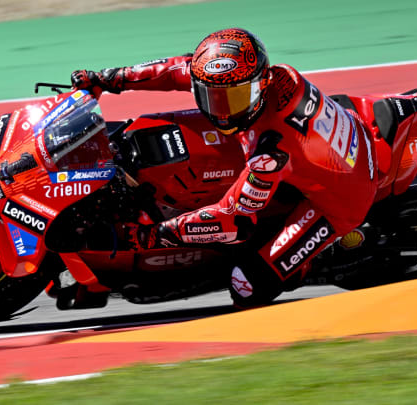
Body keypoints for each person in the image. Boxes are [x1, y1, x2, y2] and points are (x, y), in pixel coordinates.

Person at [71, 28, 378, 307]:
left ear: (260, 84)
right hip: (338, 139)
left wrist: (151, 236)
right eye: (212, 97)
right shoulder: (275, 76)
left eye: (235, 98)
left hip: (340, 200)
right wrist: (109, 79)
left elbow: (231, 222)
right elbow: (179, 69)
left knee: (245, 286)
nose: (222, 109)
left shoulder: (271, 153)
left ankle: (307, 263)